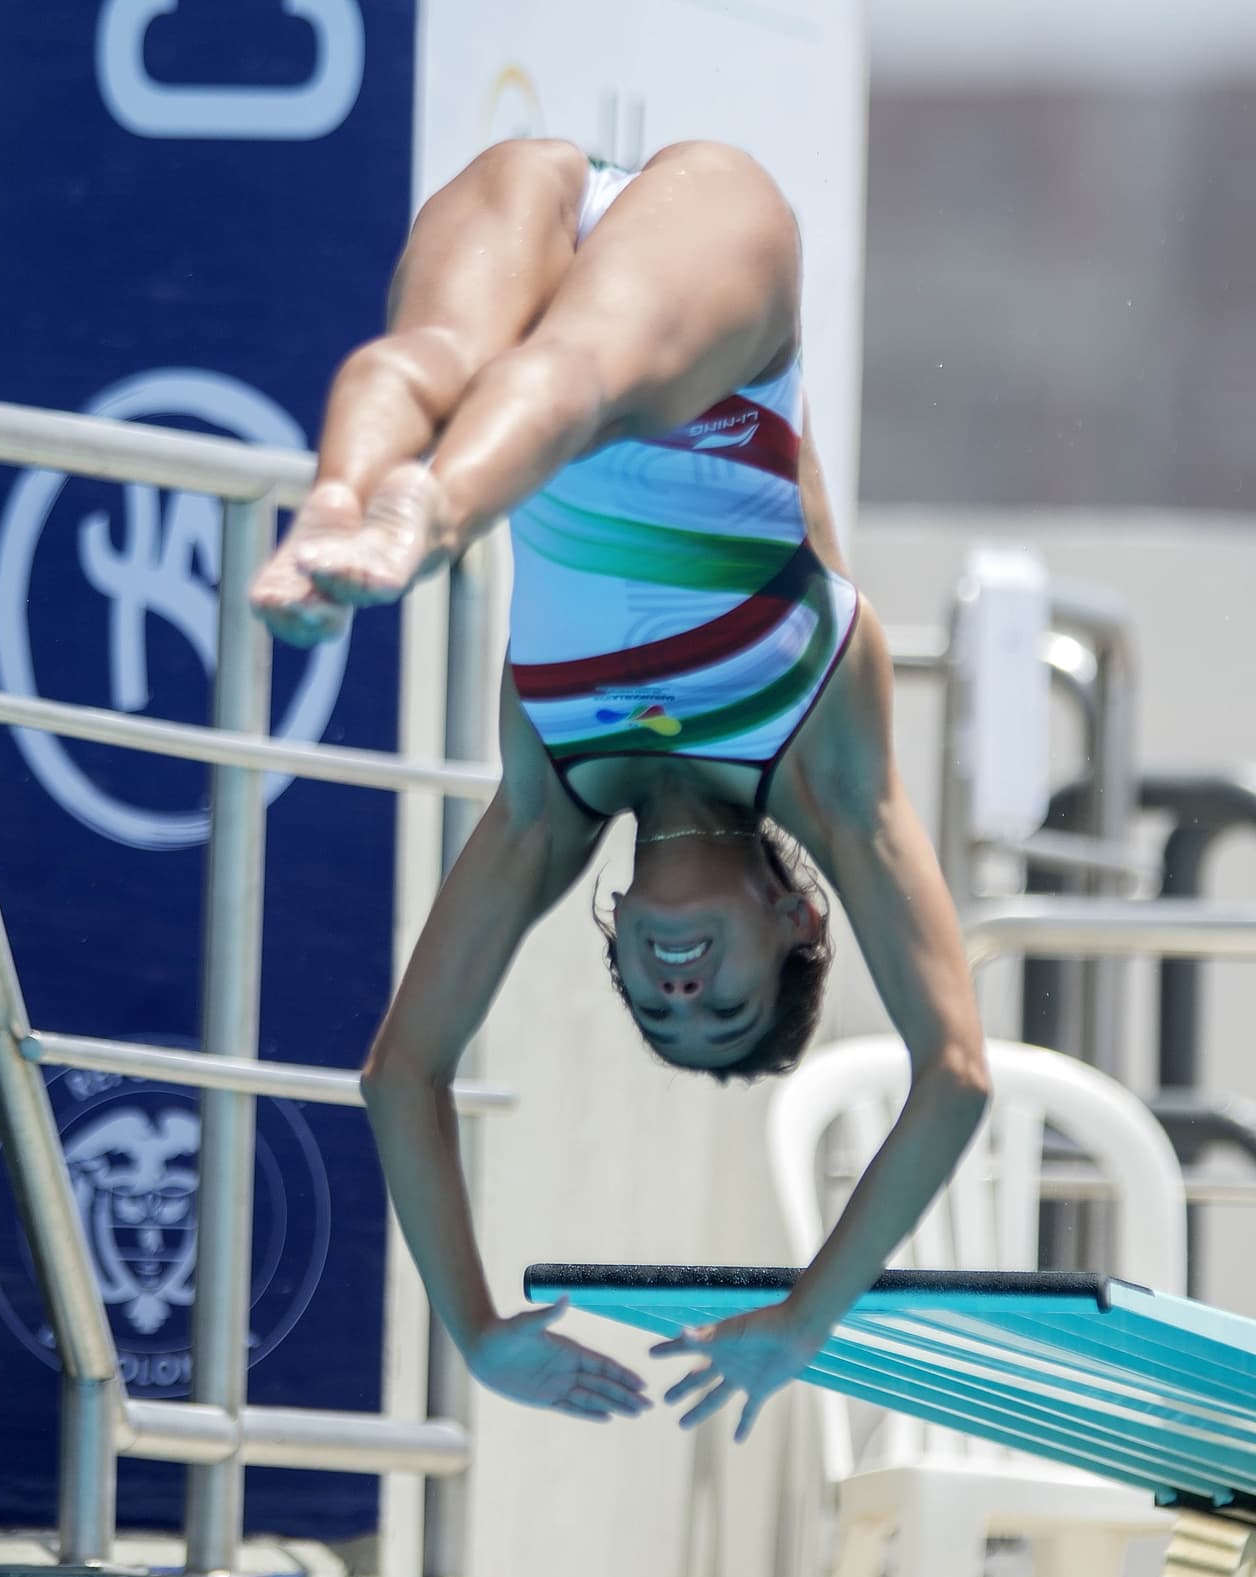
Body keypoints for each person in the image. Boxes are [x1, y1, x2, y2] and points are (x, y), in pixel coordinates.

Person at [251, 138, 990, 1442]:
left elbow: (402, 1074)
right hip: (715, 269)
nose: (679, 988)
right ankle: (418, 516)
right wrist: (805, 1317)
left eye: (656, 1005)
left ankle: (340, 500)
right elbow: (956, 1074)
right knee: (572, 383)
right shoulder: (825, 765)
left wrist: (478, 1330)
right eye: (723, 1002)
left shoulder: (550, 806)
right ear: (797, 918)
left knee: (437, 367)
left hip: (536, 213)